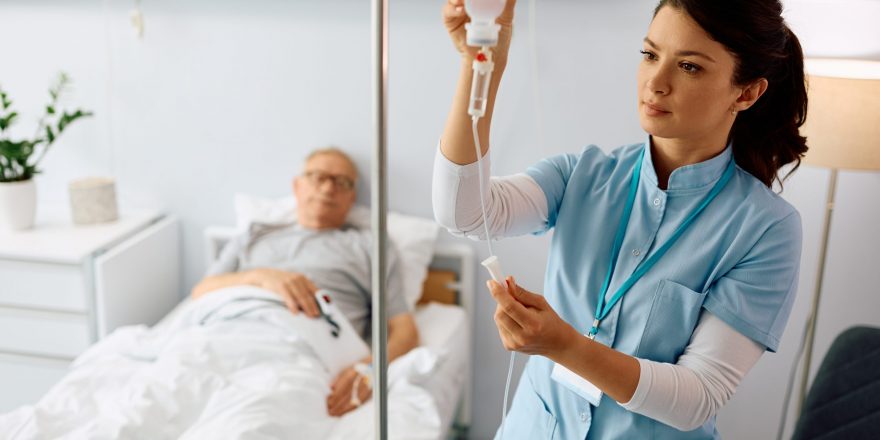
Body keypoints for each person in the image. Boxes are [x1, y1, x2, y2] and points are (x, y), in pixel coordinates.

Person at [434, 0, 806, 438]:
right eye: (650, 55)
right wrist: (482, 66)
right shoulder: (582, 174)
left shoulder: (765, 228)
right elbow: (464, 213)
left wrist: (565, 346)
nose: (656, 82)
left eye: (688, 67)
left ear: (745, 92)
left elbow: (697, 398)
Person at [192, 147, 419, 418]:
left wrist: (371, 369)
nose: (327, 188)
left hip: (303, 350)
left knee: (253, 418)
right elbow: (201, 292)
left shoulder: (370, 245)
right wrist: (262, 277)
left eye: (341, 182)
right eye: (317, 177)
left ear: (352, 197)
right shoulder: (254, 235)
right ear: (297, 186)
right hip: (227, 332)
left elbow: (404, 328)